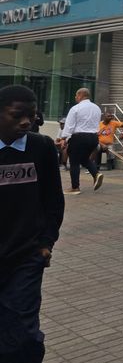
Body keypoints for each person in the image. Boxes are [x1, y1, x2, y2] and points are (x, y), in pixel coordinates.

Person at [0, 85, 64, 363]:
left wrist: (46, 243)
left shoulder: (41, 147)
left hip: (25, 256)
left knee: (23, 334)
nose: (26, 121)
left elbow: (53, 200)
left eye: (32, 115)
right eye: (17, 115)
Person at [60, 87, 103, 195]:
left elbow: (69, 125)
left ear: (80, 95)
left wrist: (63, 138)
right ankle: (96, 174)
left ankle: (75, 187)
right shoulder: (97, 108)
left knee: (74, 161)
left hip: (79, 137)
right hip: (93, 137)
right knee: (84, 158)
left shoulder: (76, 108)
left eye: (76, 95)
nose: (75, 97)